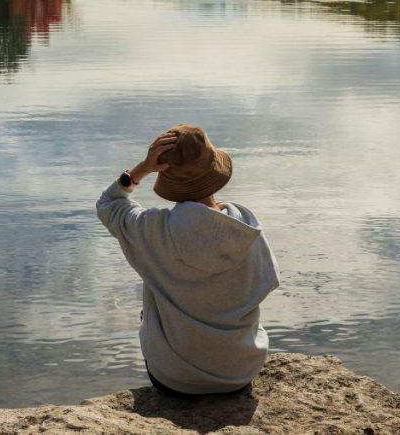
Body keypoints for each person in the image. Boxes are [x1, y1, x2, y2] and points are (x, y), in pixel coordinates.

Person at [96, 124, 280, 398]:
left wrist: (142, 169)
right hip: (240, 373)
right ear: (215, 168)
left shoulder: (152, 230)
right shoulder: (246, 228)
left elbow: (109, 205)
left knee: (151, 306)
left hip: (175, 380)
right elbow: (267, 281)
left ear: (165, 173)